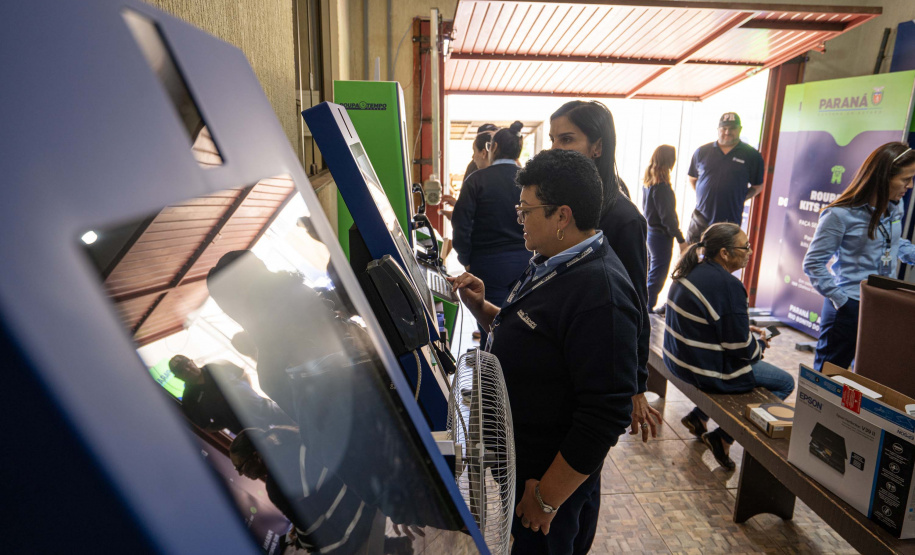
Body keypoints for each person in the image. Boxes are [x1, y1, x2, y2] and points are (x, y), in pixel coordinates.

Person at [449, 149, 639, 554]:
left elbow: (605, 414)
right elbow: (538, 337)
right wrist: (483, 309)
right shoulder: (555, 261)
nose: (519, 220)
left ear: (562, 216)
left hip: (548, 483)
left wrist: (546, 497)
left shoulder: (600, 295)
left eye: (526, 211)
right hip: (525, 465)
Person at [549, 100, 660, 442]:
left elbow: (635, 305)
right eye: (553, 140)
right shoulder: (561, 205)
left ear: (597, 146)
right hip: (558, 354)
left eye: (567, 139)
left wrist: (636, 385)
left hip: (591, 365)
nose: (555, 149)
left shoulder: (623, 219)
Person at [664, 223, 794, 469]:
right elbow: (742, 350)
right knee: (785, 382)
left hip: (678, 360)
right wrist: (760, 343)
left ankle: (699, 416)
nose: (750, 251)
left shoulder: (692, 268)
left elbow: (714, 325)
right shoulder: (728, 285)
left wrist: (744, 331)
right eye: (745, 247)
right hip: (702, 370)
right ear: (724, 253)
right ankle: (723, 437)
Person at [803, 142, 915, 371]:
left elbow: (894, 242)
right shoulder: (839, 215)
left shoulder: (896, 206)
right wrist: (842, 301)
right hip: (850, 305)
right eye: (906, 179)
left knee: (867, 372)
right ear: (884, 177)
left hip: (883, 302)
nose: (910, 186)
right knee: (828, 375)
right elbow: (813, 263)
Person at [230, 426, 375, 554]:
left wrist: (299, 540)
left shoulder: (275, 487)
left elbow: (312, 533)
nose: (241, 474)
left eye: (240, 467)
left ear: (256, 457)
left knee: (300, 546)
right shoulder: (291, 438)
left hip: (351, 531)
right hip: (362, 503)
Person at [452, 121, 531, 343]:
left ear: (493, 147)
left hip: (487, 263)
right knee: (522, 320)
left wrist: (465, 259)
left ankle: (492, 362)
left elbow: (461, 223)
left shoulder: (477, 180)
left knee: (491, 326)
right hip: (525, 261)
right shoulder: (529, 180)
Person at [686, 112, 764, 243]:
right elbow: (692, 178)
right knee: (693, 254)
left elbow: (758, 186)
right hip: (700, 220)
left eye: (732, 128)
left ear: (740, 129)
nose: (727, 132)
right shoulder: (702, 151)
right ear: (718, 129)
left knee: (723, 255)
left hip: (729, 223)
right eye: (724, 128)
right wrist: (704, 195)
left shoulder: (752, 155)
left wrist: (740, 197)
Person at [169, 355, 291, 433]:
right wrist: (226, 422)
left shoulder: (217, 366)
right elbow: (206, 427)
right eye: (181, 370)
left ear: (192, 361)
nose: (187, 369)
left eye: (187, 364)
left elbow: (242, 374)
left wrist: (247, 393)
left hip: (267, 409)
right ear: (177, 377)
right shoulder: (189, 400)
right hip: (250, 432)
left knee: (297, 424)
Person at [642, 145, 686, 312]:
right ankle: (647, 308)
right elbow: (667, 217)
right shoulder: (662, 187)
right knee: (658, 274)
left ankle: (643, 306)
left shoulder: (649, 182)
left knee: (649, 272)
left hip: (650, 233)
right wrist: (681, 239)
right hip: (661, 236)